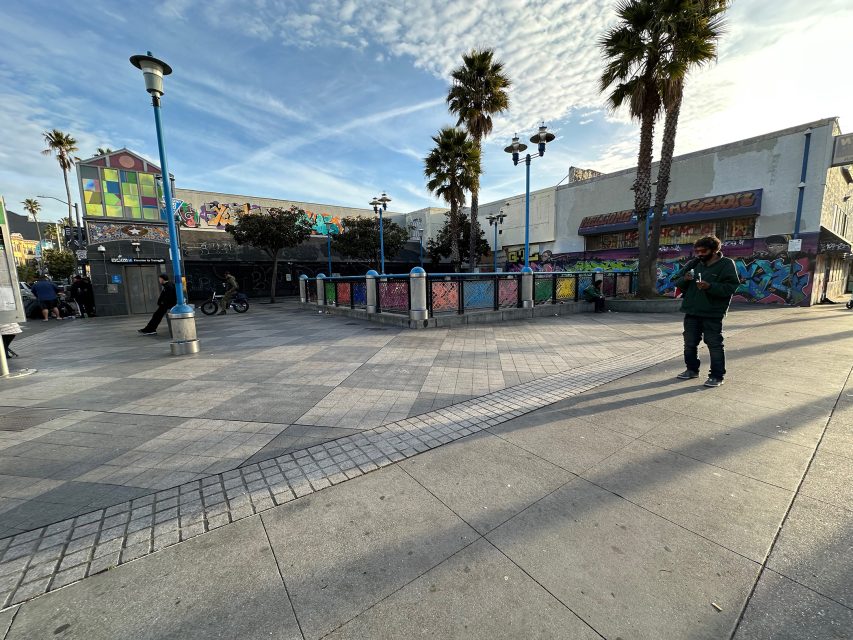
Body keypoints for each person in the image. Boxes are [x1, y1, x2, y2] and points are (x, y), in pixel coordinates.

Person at [673, 235, 741, 388]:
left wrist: (710, 286)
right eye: (697, 251)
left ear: (714, 250)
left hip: (712, 312)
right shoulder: (694, 263)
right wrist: (686, 279)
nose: (699, 254)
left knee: (714, 344)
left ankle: (717, 376)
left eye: (703, 251)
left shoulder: (726, 264)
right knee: (689, 343)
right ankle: (691, 370)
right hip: (691, 311)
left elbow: (731, 287)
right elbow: (677, 282)